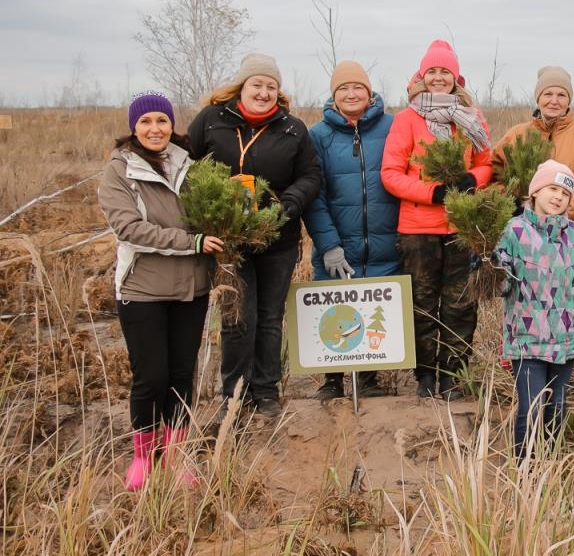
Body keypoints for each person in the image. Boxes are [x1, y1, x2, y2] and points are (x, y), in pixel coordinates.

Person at [98, 92, 223, 491]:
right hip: (143, 287)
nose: (155, 129)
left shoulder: (189, 164)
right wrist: (193, 242)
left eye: (162, 121)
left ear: (172, 125)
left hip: (191, 287)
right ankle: (143, 457)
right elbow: (129, 229)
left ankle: (177, 455)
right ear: (134, 127)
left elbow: (212, 210)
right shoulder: (120, 170)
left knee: (182, 375)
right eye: (146, 122)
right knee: (151, 376)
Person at [188, 53, 321, 417]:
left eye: (271, 86)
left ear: (279, 91)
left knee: (268, 316)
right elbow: (186, 167)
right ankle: (233, 394)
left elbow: (310, 176)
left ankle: (265, 393)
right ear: (241, 87)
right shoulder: (211, 121)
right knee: (236, 316)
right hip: (229, 243)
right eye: (257, 85)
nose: (263, 93)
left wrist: (287, 205)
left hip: (277, 239)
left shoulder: (293, 128)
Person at [381, 40, 492, 400]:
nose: (439, 77)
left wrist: (470, 181)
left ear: (455, 77)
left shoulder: (472, 120)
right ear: (422, 75)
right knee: (422, 304)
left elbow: (487, 163)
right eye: (433, 71)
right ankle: (426, 375)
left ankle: (453, 375)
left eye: (445, 71)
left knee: (461, 303)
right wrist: (431, 193)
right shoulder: (407, 120)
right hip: (417, 230)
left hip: (460, 225)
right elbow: (391, 174)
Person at [494, 160, 574, 460]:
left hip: (567, 340)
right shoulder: (513, 231)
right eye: (552, 189)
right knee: (532, 408)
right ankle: (525, 474)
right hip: (527, 339)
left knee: (556, 407)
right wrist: (492, 268)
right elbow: (500, 284)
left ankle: (549, 471)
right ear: (535, 191)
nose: (559, 197)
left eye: (565, 193)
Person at [304, 61, 399, 400]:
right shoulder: (317, 136)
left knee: (372, 310)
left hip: (384, 240)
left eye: (357, 87)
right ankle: (331, 381)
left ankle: (371, 379)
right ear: (333, 95)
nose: (351, 94)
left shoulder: (393, 127)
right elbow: (314, 195)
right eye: (343, 88)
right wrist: (329, 243)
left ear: (369, 92)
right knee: (335, 310)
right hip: (338, 242)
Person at [491, 66, 574, 227]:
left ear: (569, 100)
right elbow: (494, 177)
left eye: (561, 95)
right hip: (519, 229)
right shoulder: (516, 135)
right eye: (548, 94)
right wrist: (514, 208)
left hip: (567, 230)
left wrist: (558, 213)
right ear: (538, 98)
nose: (554, 101)